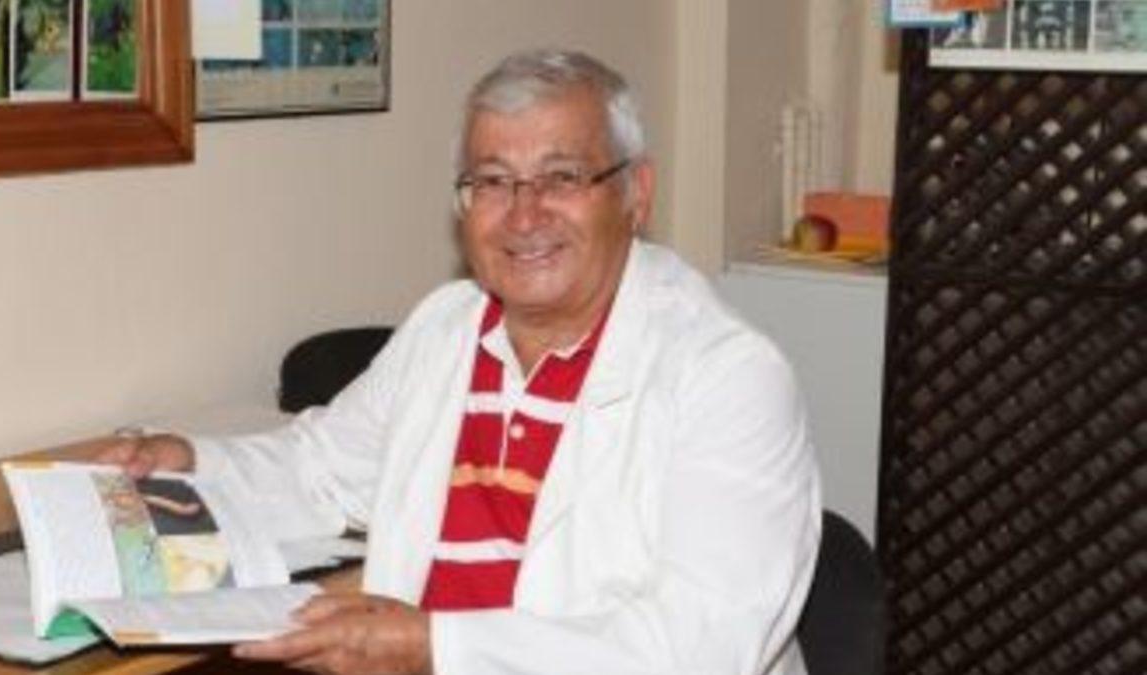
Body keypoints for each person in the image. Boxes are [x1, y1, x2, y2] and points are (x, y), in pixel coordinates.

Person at [100, 49, 821, 675]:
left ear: (636, 194)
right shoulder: (447, 327)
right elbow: (320, 468)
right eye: (493, 182)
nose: (525, 215)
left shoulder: (728, 377)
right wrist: (192, 461)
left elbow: (701, 647)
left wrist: (434, 647)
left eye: (561, 177)